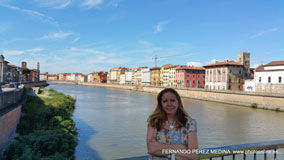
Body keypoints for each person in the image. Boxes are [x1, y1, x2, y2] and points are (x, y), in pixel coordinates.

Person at [147, 88, 198, 160]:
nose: (169, 104)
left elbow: (193, 155)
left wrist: (165, 152)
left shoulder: (190, 123)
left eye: (172, 100)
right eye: (165, 101)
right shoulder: (154, 121)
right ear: (161, 104)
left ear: (178, 102)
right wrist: (178, 148)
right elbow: (151, 149)